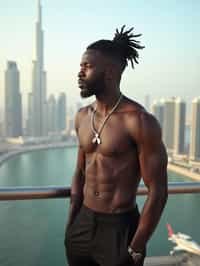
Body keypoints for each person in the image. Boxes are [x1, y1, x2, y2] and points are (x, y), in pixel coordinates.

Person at [64, 25, 168, 266]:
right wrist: (71, 226)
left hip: (119, 229)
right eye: (80, 66)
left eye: (87, 67)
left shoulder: (139, 121)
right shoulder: (82, 116)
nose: (79, 73)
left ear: (109, 72)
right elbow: (80, 172)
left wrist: (136, 246)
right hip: (82, 225)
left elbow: (158, 192)